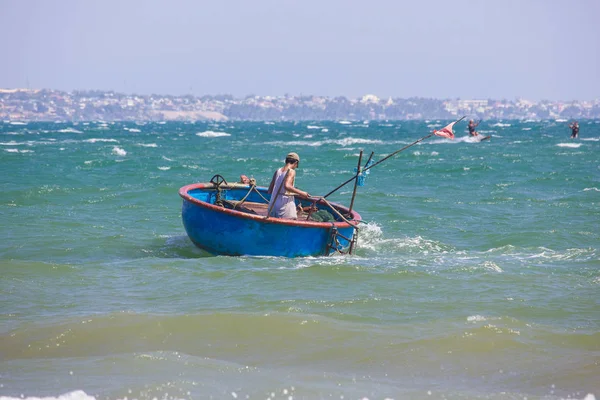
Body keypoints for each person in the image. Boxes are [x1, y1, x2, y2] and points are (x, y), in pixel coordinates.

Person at [267, 152, 311, 219]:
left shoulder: (278, 171)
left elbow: (270, 190)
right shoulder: (291, 171)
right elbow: (287, 186)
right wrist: (302, 193)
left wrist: (292, 190)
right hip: (283, 205)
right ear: (296, 163)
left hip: (273, 204)